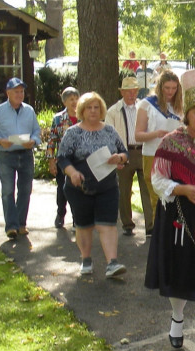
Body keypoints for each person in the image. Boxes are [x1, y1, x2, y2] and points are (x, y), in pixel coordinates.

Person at [144, 69, 195, 351]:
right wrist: (183, 189)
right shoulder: (170, 142)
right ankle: (177, 319)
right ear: (187, 114)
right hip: (178, 217)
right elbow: (157, 180)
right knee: (178, 272)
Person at [56, 92, 130, 278]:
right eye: (89, 107)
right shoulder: (73, 132)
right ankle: (86, 259)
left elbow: (124, 152)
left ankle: (112, 263)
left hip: (107, 187)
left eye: (96, 107)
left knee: (108, 225)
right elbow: (63, 158)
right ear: (82, 110)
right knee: (84, 226)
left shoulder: (109, 131)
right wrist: (72, 172)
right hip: (80, 188)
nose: (93, 111)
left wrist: (119, 158)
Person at [136, 70, 183, 235]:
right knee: (157, 197)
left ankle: (172, 234)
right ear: (159, 87)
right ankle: (158, 235)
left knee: (174, 197)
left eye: (174, 88)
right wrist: (156, 133)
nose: (170, 92)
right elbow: (138, 135)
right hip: (153, 154)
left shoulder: (178, 106)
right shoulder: (146, 105)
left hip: (175, 156)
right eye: (167, 88)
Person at [106, 76, 153, 237]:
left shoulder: (144, 108)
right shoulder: (113, 111)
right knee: (124, 190)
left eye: (134, 91)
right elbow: (109, 136)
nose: (132, 95)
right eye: (128, 92)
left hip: (143, 150)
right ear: (122, 93)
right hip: (124, 153)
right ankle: (127, 224)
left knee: (147, 188)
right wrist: (116, 156)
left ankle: (150, 226)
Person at [0, 77, 40, 240]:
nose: (20, 94)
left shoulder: (29, 110)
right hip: (7, 155)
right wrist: (0, 140)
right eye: (16, 91)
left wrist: (34, 141)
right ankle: (11, 226)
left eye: (22, 91)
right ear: (8, 93)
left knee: (25, 190)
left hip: (26, 155)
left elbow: (36, 131)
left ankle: (21, 224)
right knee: (8, 191)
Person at [46, 86, 80, 230]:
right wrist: (51, 161)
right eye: (71, 99)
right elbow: (52, 140)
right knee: (63, 189)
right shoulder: (58, 118)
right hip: (63, 161)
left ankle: (77, 218)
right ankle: (61, 214)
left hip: (80, 160)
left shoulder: (84, 116)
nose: (74, 102)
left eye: (76, 98)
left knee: (78, 189)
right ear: (65, 102)